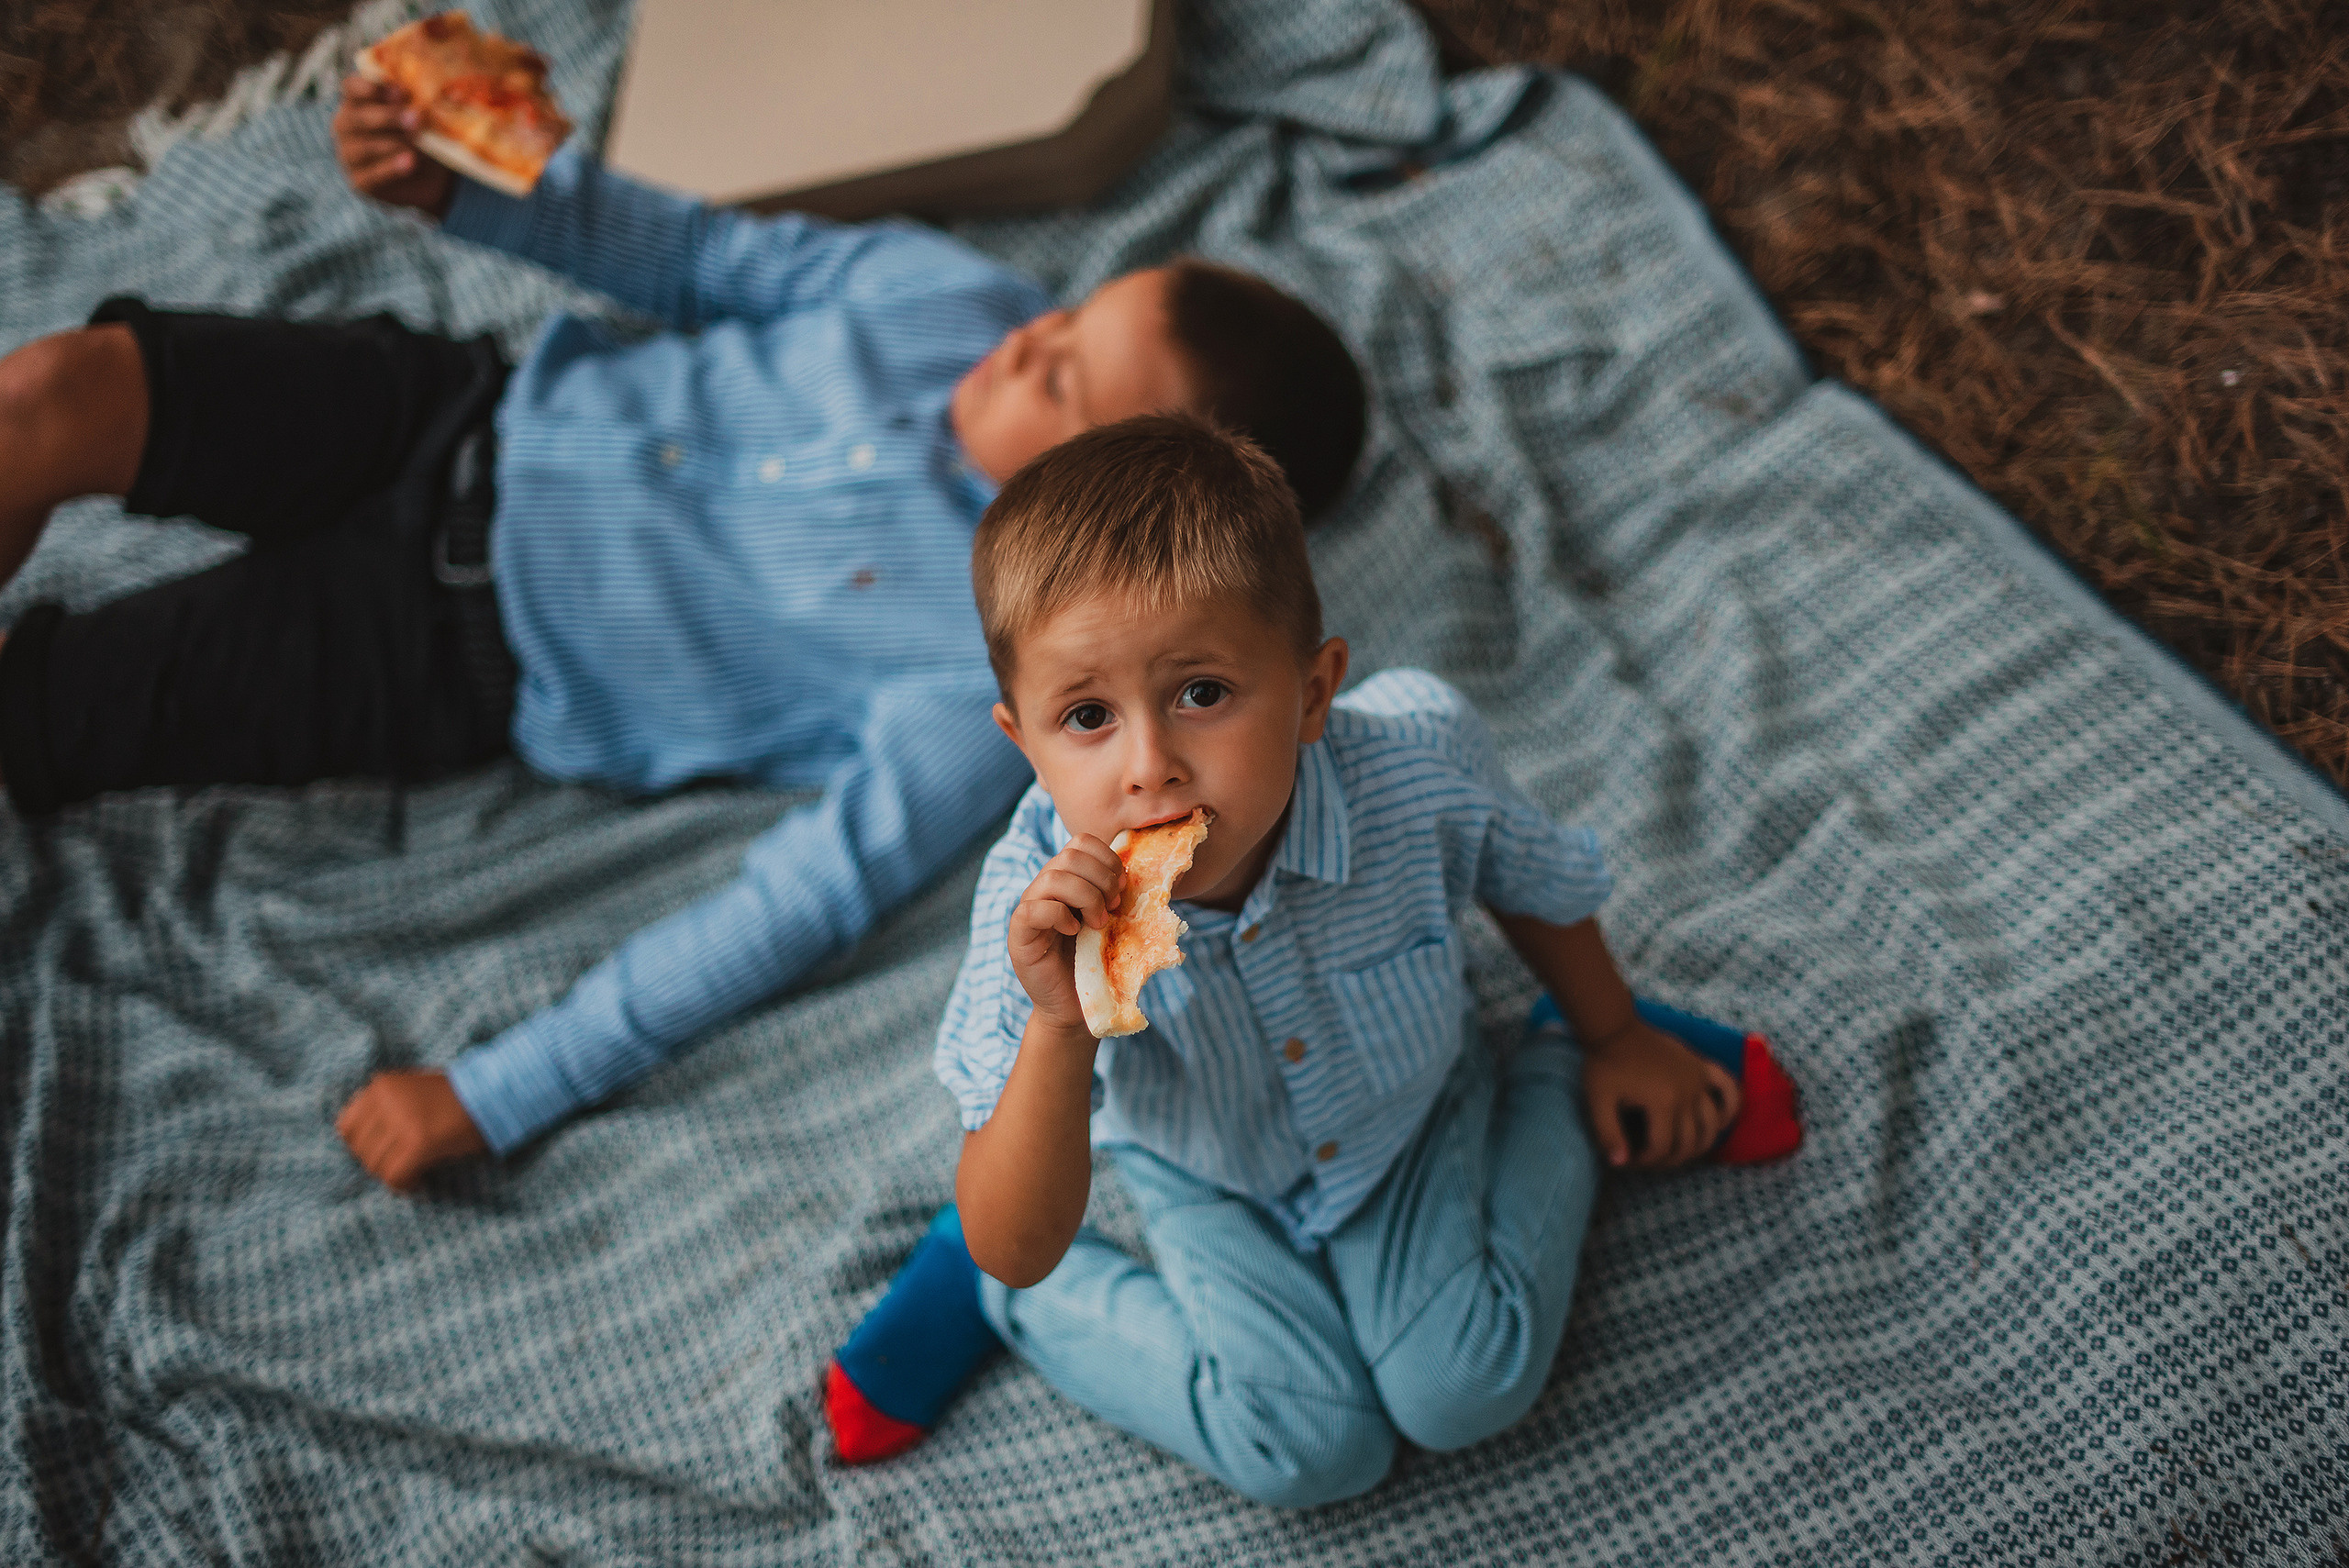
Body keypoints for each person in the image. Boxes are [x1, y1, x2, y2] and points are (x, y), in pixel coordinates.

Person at [0, 77, 1367, 1194]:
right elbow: (703, 258)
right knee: (57, 390)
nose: (1024, 339)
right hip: (445, 408)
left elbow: (791, 903)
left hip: (435, 647)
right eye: (1067, 313)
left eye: (1063, 377)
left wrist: (496, 1090)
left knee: (53, 708)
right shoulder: (944, 299)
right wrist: (471, 187)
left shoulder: (988, 678)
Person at [823, 416, 1801, 1497]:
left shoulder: (1411, 763)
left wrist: (1615, 1030)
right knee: (1311, 1453)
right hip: (1205, 1167)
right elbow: (1021, 1231)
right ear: (1026, 743)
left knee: (1465, 1386)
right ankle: (995, 1294)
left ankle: (1557, 1061)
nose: (1150, 767)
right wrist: (1065, 1015)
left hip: (1407, 1112)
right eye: (1088, 716)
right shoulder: (1031, 913)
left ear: (1313, 690)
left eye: (1202, 693)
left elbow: (1532, 880)